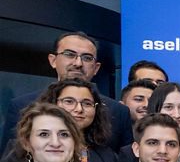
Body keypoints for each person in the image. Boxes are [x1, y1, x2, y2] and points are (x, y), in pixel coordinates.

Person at [2, 32, 132, 150]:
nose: (78, 63)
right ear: (53, 60)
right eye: (69, 55)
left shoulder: (118, 112)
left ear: (96, 68)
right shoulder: (22, 106)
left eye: (87, 58)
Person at [36, 81, 119, 162]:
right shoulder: (31, 148)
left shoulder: (107, 155)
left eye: (87, 103)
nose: (79, 109)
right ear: (52, 103)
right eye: (69, 101)